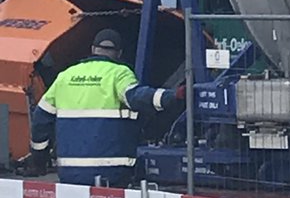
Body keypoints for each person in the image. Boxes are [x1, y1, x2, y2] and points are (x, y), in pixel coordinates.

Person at [26, 26, 182, 184]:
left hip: (70, 173)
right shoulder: (119, 73)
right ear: (119, 53)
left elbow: (41, 119)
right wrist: (171, 96)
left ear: (93, 49)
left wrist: (39, 158)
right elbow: (137, 97)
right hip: (112, 173)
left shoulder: (65, 76)